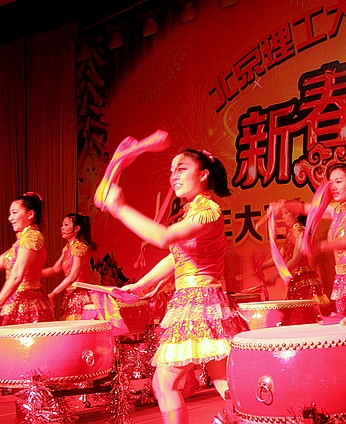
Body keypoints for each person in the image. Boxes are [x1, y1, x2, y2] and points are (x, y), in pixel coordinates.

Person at [100, 148, 248, 424]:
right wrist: (141, 285)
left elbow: (165, 237)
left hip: (199, 302)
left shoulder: (207, 211)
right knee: (226, 384)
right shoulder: (195, 211)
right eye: (171, 171)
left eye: (181, 169)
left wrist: (120, 209)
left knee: (165, 384)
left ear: (203, 174)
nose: (174, 177)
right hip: (198, 301)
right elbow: (176, 256)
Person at [281, 163, 346, 316]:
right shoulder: (337, 210)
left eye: (339, 181)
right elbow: (306, 208)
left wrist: (319, 246)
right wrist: (282, 205)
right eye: (331, 182)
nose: (333, 187)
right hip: (341, 280)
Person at [0, 193, 54, 324]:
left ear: (30, 214)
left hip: (27, 304)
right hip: (18, 301)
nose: (10, 218)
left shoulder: (32, 237)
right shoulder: (21, 242)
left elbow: (17, 276)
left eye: (14, 212)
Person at [262, 203, 332, 314]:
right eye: (282, 214)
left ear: (296, 214)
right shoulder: (291, 235)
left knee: (306, 314)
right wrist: (261, 267)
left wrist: (275, 276)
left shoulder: (301, 233)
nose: (283, 217)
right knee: (296, 314)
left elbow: (295, 260)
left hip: (305, 280)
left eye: (286, 213)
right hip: (296, 280)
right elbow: (278, 258)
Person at [42, 213, 98, 320]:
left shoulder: (79, 246)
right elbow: (54, 269)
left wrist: (53, 293)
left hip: (80, 294)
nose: (62, 228)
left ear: (77, 228)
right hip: (70, 293)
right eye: (62, 225)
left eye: (66, 225)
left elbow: (73, 276)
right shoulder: (67, 248)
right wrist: (31, 273)